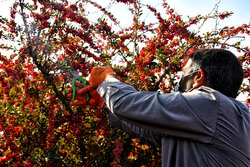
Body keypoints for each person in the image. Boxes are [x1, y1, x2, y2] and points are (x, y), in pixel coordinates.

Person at [69, 49, 250, 167]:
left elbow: (127, 104)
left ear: (198, 77)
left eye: (184, 75)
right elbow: (150, 131)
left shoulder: (212, 103)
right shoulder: (224, 116)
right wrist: (103, 102)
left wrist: (107, 79)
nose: (180, 81)